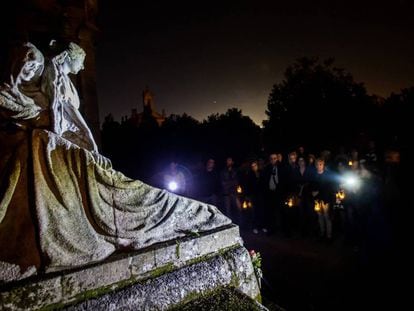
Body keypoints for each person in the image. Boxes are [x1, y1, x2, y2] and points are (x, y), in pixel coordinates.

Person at [42, 41, 98, 152]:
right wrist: (87, 133)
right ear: (69, 57)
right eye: (81, 61)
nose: (82, 66)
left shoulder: (66, 80)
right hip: (64, 127)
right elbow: (70, 108)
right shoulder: (57, 76)